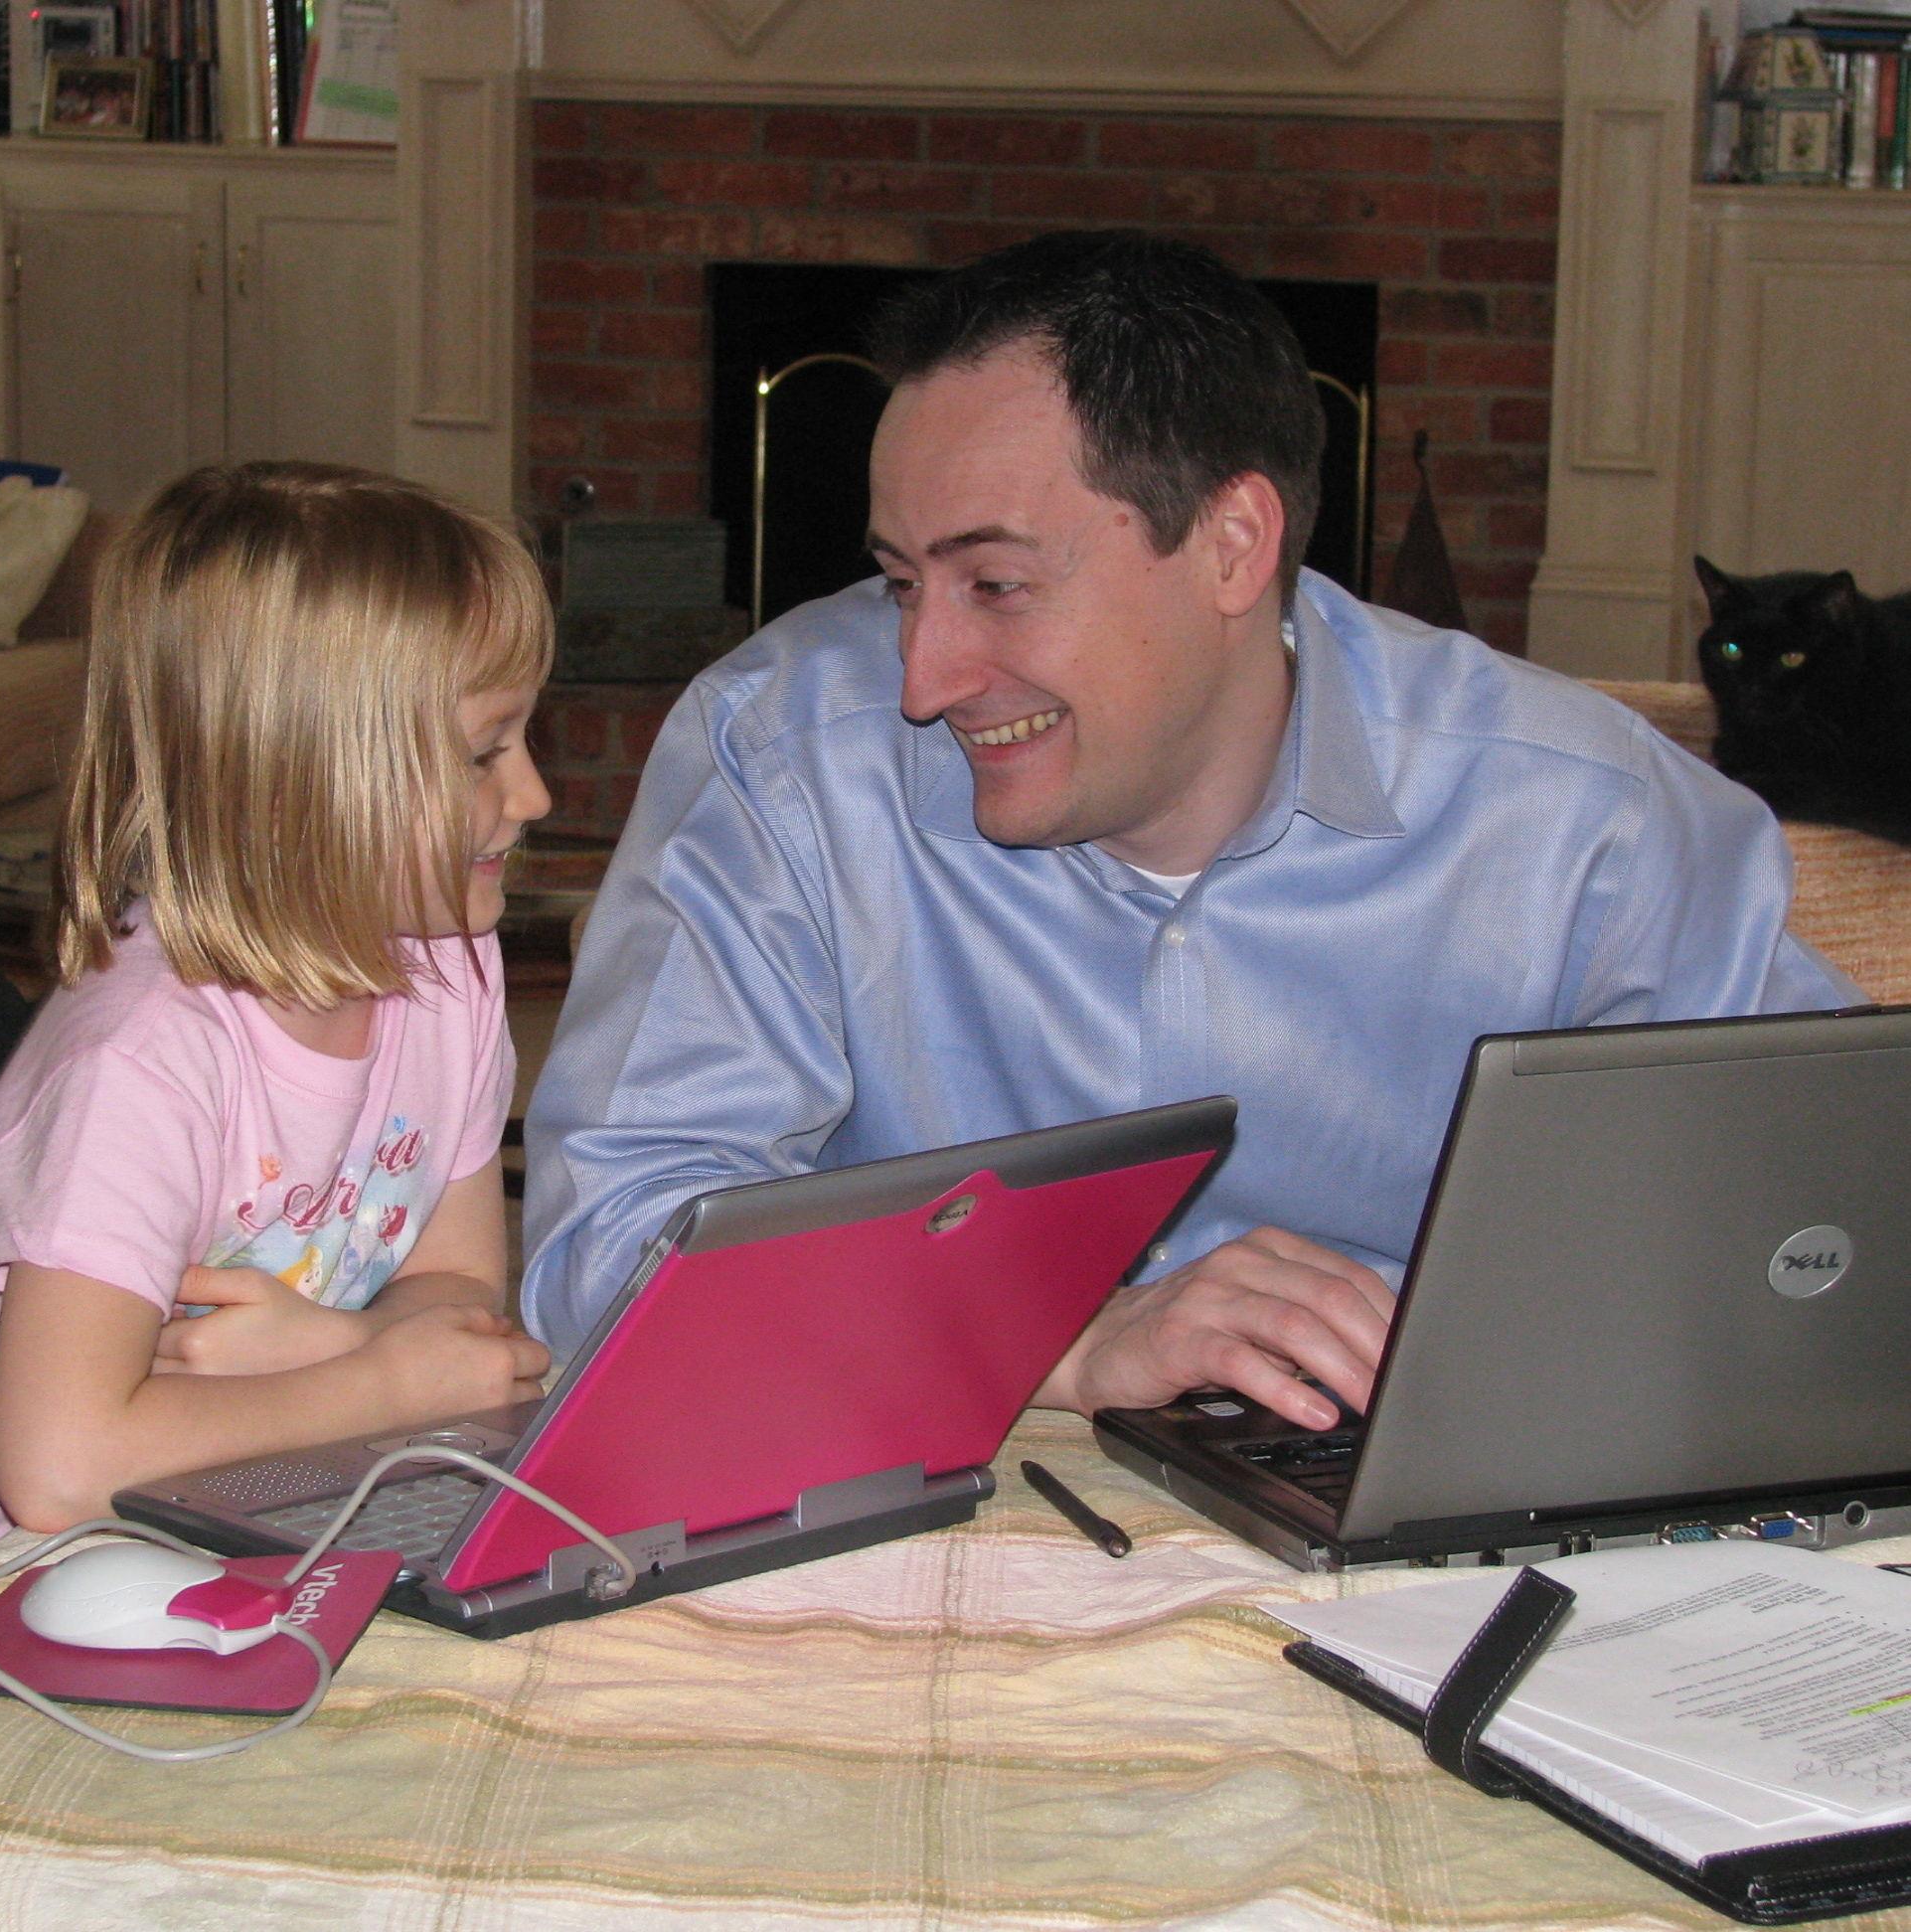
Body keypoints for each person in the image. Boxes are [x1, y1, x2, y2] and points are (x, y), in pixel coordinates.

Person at [522, 230, 1855, 1429]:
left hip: (1397, 1524)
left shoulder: (1583, 824)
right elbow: (601, 1260)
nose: (920, 675)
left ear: (1230, 545)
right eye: (897, 583)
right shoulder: (782, 761)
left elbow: (1818, 1221)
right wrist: (1054, 1340)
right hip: (928, 1529)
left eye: (994, 583)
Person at [0, 461, 554, 1543]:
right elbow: (54, 1470)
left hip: (276, 1481)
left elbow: (454, 1292)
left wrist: (330, 1345)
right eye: (485, 751)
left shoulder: (450, 977)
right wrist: (381, 1384)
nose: (533, 797)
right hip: (41, 1554)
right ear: (307, 779)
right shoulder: (137, 1063)